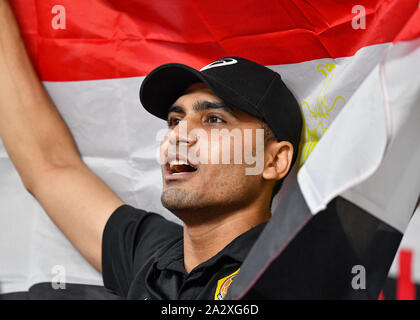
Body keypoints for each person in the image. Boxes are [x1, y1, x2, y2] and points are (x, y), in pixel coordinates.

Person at [0, 1, 301, 299]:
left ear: (274, 160)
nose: (179, 135)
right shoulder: (150, 255)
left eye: (213, 120)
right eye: (174, 120)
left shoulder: (296, 274)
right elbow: (48, 165)